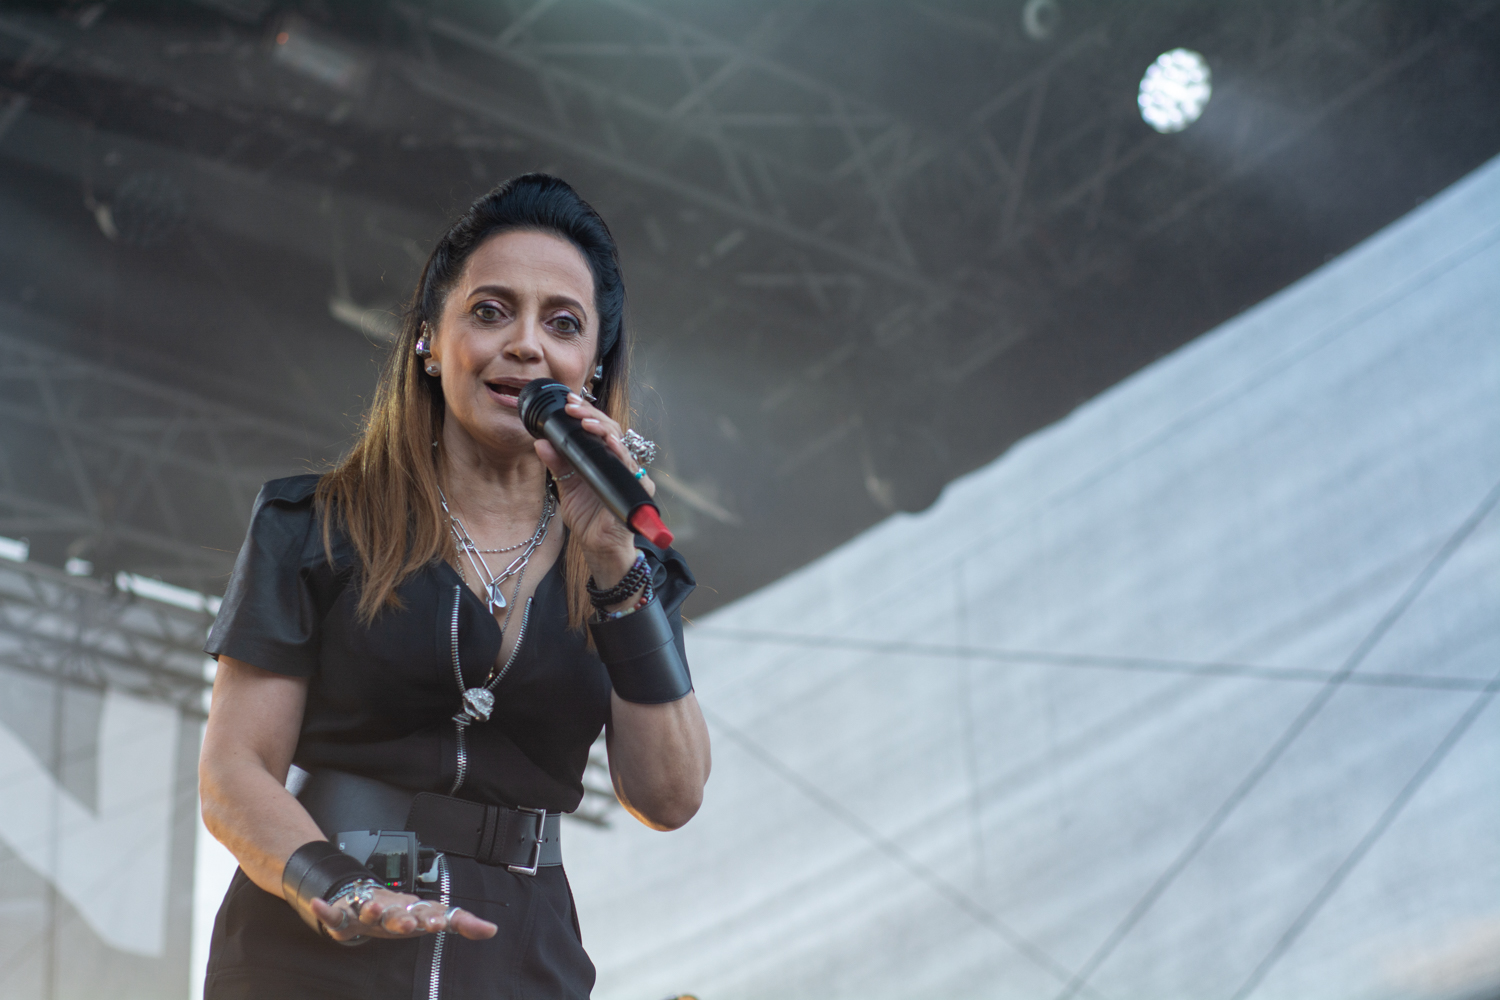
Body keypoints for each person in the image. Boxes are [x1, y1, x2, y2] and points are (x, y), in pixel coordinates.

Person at [198, 174, 711, 999]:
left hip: (520, 951)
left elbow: (671, 796)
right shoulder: (315, 527)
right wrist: (337, 889)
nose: (527, 345)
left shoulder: (628, 563)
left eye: (563, 324)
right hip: (315, 941)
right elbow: (234, 772)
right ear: (430, 343)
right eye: (491, 311)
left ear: (590, 367)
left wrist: (615, 562)